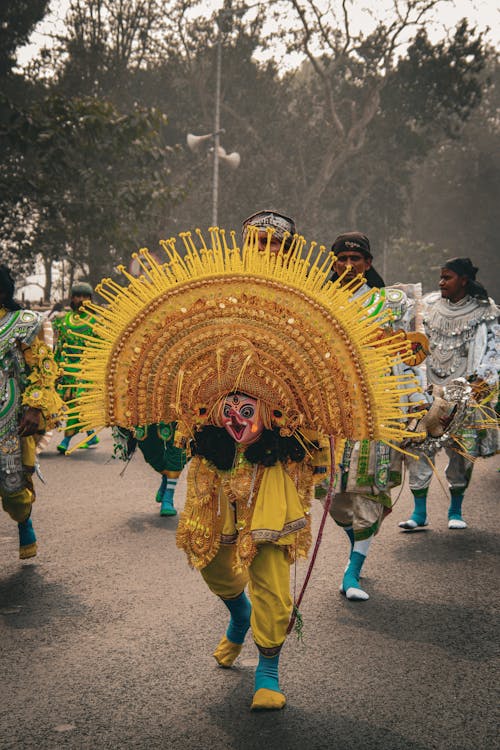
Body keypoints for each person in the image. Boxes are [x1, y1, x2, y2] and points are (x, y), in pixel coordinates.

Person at [66, 218, 418, 710]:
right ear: (245, 244)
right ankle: (237, 613)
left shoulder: (313, 304)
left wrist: (295, 425)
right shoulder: (208, 302)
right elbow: (177, 369)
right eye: (258, 241)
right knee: (210, 558)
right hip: (216, 459)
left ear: (289, 250)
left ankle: (269, 666)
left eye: (277, 243)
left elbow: (333, 383)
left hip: (275, 464)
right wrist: (196, 413)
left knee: (270, 565)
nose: (266, 250)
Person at [323, 232, 426, 600]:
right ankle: (356, 543)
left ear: (368, 263)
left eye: (356, 258)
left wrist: (417, 402)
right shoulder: (317, 303)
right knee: (333, 498)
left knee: (369, 488)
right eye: (343, 258)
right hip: (333, 412)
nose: (349, 265)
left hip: (380, 410)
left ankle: (352, 570)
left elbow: (410, 358)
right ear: (334, 262)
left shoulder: (391, 304)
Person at [399, 258, 499, 531]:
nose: (441, 282)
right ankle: (419, 514)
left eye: (448, 278)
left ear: (464, 280)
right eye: (441, 277)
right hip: (427, 392)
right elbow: (410, 339)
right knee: (419, 450)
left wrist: (483, 379)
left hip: (464, 395)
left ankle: (455, 511)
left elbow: (493, 349)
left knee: (461, 455)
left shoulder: (484, 311)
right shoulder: (427, 306)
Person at [0, 265, 64, 558]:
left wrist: (34, 407)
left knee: (13, 491)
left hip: (10, 420)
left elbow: (41, 369)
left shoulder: (22, 323)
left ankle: (23, 518)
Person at [52, 282, 100, 454]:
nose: (81, 300)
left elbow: (101, 348)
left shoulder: (96, 322)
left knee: (78, 404)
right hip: (66, 370)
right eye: (78, 296)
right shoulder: (63, 320)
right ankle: (91, 435)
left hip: (86, 371)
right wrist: (54, 368)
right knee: (69, 405)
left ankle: (66, 439)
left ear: (90, 299)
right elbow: (58, 346)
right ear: (72, 298)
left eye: (85, 297)